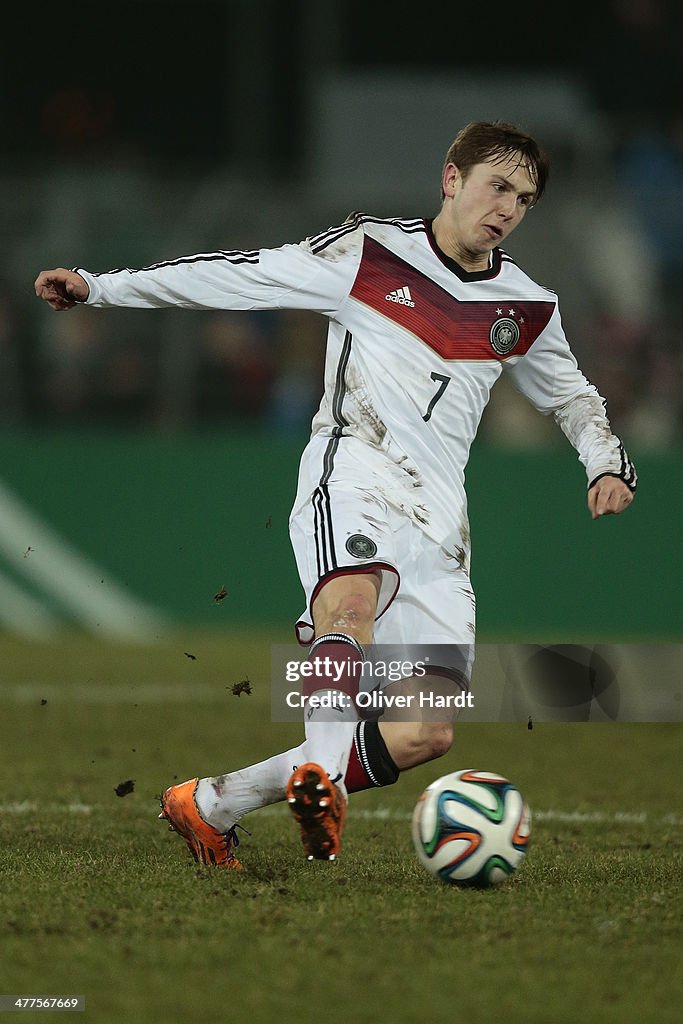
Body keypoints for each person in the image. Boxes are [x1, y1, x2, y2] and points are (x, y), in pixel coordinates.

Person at [34, 121, 636, 867]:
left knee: (425, 732)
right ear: (450, 178)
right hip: (354, 473)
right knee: (347, 607)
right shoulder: (369, 253)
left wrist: (602, 460)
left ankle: (213, 804)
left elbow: (571, 396)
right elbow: (238, 272)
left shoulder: (525, 305)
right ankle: (324, 773)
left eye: (523, 197)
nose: (507, 206)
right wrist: (100, 288)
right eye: (496, 185)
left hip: (441, 526)